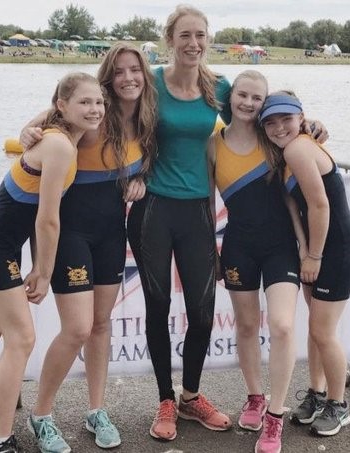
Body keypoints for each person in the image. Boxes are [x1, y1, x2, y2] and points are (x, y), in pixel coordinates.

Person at [0, 72, 105, 453]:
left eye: (99, 102)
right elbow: (47, 220)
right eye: (84, 102)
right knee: (21, 339)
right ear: (62, 105)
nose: (94, 109)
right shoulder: (59, 145)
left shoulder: (59, 136)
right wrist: (43, 272)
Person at [18, 43, 157, 452]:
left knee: (100, 325)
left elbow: (151, 159)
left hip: (111, 233)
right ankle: (41, 415)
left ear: (145, 76)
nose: (128, 78)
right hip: (70, 234)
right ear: (108, 77)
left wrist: (142, 179)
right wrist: (27, 130)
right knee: (77, 328)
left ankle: (96, 410)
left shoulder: (147, 120)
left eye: (135, 70)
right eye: (120, 71)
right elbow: (49, 119)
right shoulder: (91, 113)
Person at [126, 4, 235, 442]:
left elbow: (261, 121)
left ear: (208, 40)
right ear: (170, 39)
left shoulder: (219, 88)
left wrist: (306, 127)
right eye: (185, 35)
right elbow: (99, 109)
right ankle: (165, 400)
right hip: (153, 208)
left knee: (203, 313)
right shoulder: (150, 82)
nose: (193, 43)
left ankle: (191, 397)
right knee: (157, 308)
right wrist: (40, 126)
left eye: (200, 35)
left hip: (197, 211)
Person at [208, 70, 327, 453]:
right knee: (245, 325)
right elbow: (207, 202)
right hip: (238, 246)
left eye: (256, 98)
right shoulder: (213, 144)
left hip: (280, 247)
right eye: (242, 95)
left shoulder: (274, 138)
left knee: (282, 325)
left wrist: (305, 246)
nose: (248, 103)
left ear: (264, 104)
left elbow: (293, 193)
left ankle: (274, 416)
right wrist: (211, 249)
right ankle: (255, 397)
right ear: (231, 99)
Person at [259, 90, 350, 438]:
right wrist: (305, 249)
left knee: (322, 331)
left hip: (337, 247)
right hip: (318, 247)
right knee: (316, 328)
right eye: (270, 122)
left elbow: (320, 205)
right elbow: (296, 208)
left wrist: (314, 256)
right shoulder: (285, 152)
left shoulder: (298, 149)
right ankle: (317, 394)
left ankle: (338, 404)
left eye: (286, 119)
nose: (279, 127)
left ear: (301, 117)